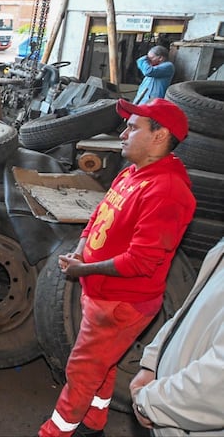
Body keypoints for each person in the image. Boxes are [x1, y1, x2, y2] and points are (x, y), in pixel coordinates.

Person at [38, 98, 197, 437]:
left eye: (132, 127)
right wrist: (82, 250)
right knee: (103, 364)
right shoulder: (132, 173)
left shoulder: (167, 191)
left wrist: (85, 271)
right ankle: (93, 424)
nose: (123, 133)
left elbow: (142, 261)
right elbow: (98, 216)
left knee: (82, 370)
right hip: (101, 294)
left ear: (160, 136)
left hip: (122, 303)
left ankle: (57, 431)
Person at [128, 237, 224, 436]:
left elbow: (216, 385)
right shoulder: (221, 249)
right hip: (166, 414)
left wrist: (150, 403)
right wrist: (152, 363)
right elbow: (190, 310)